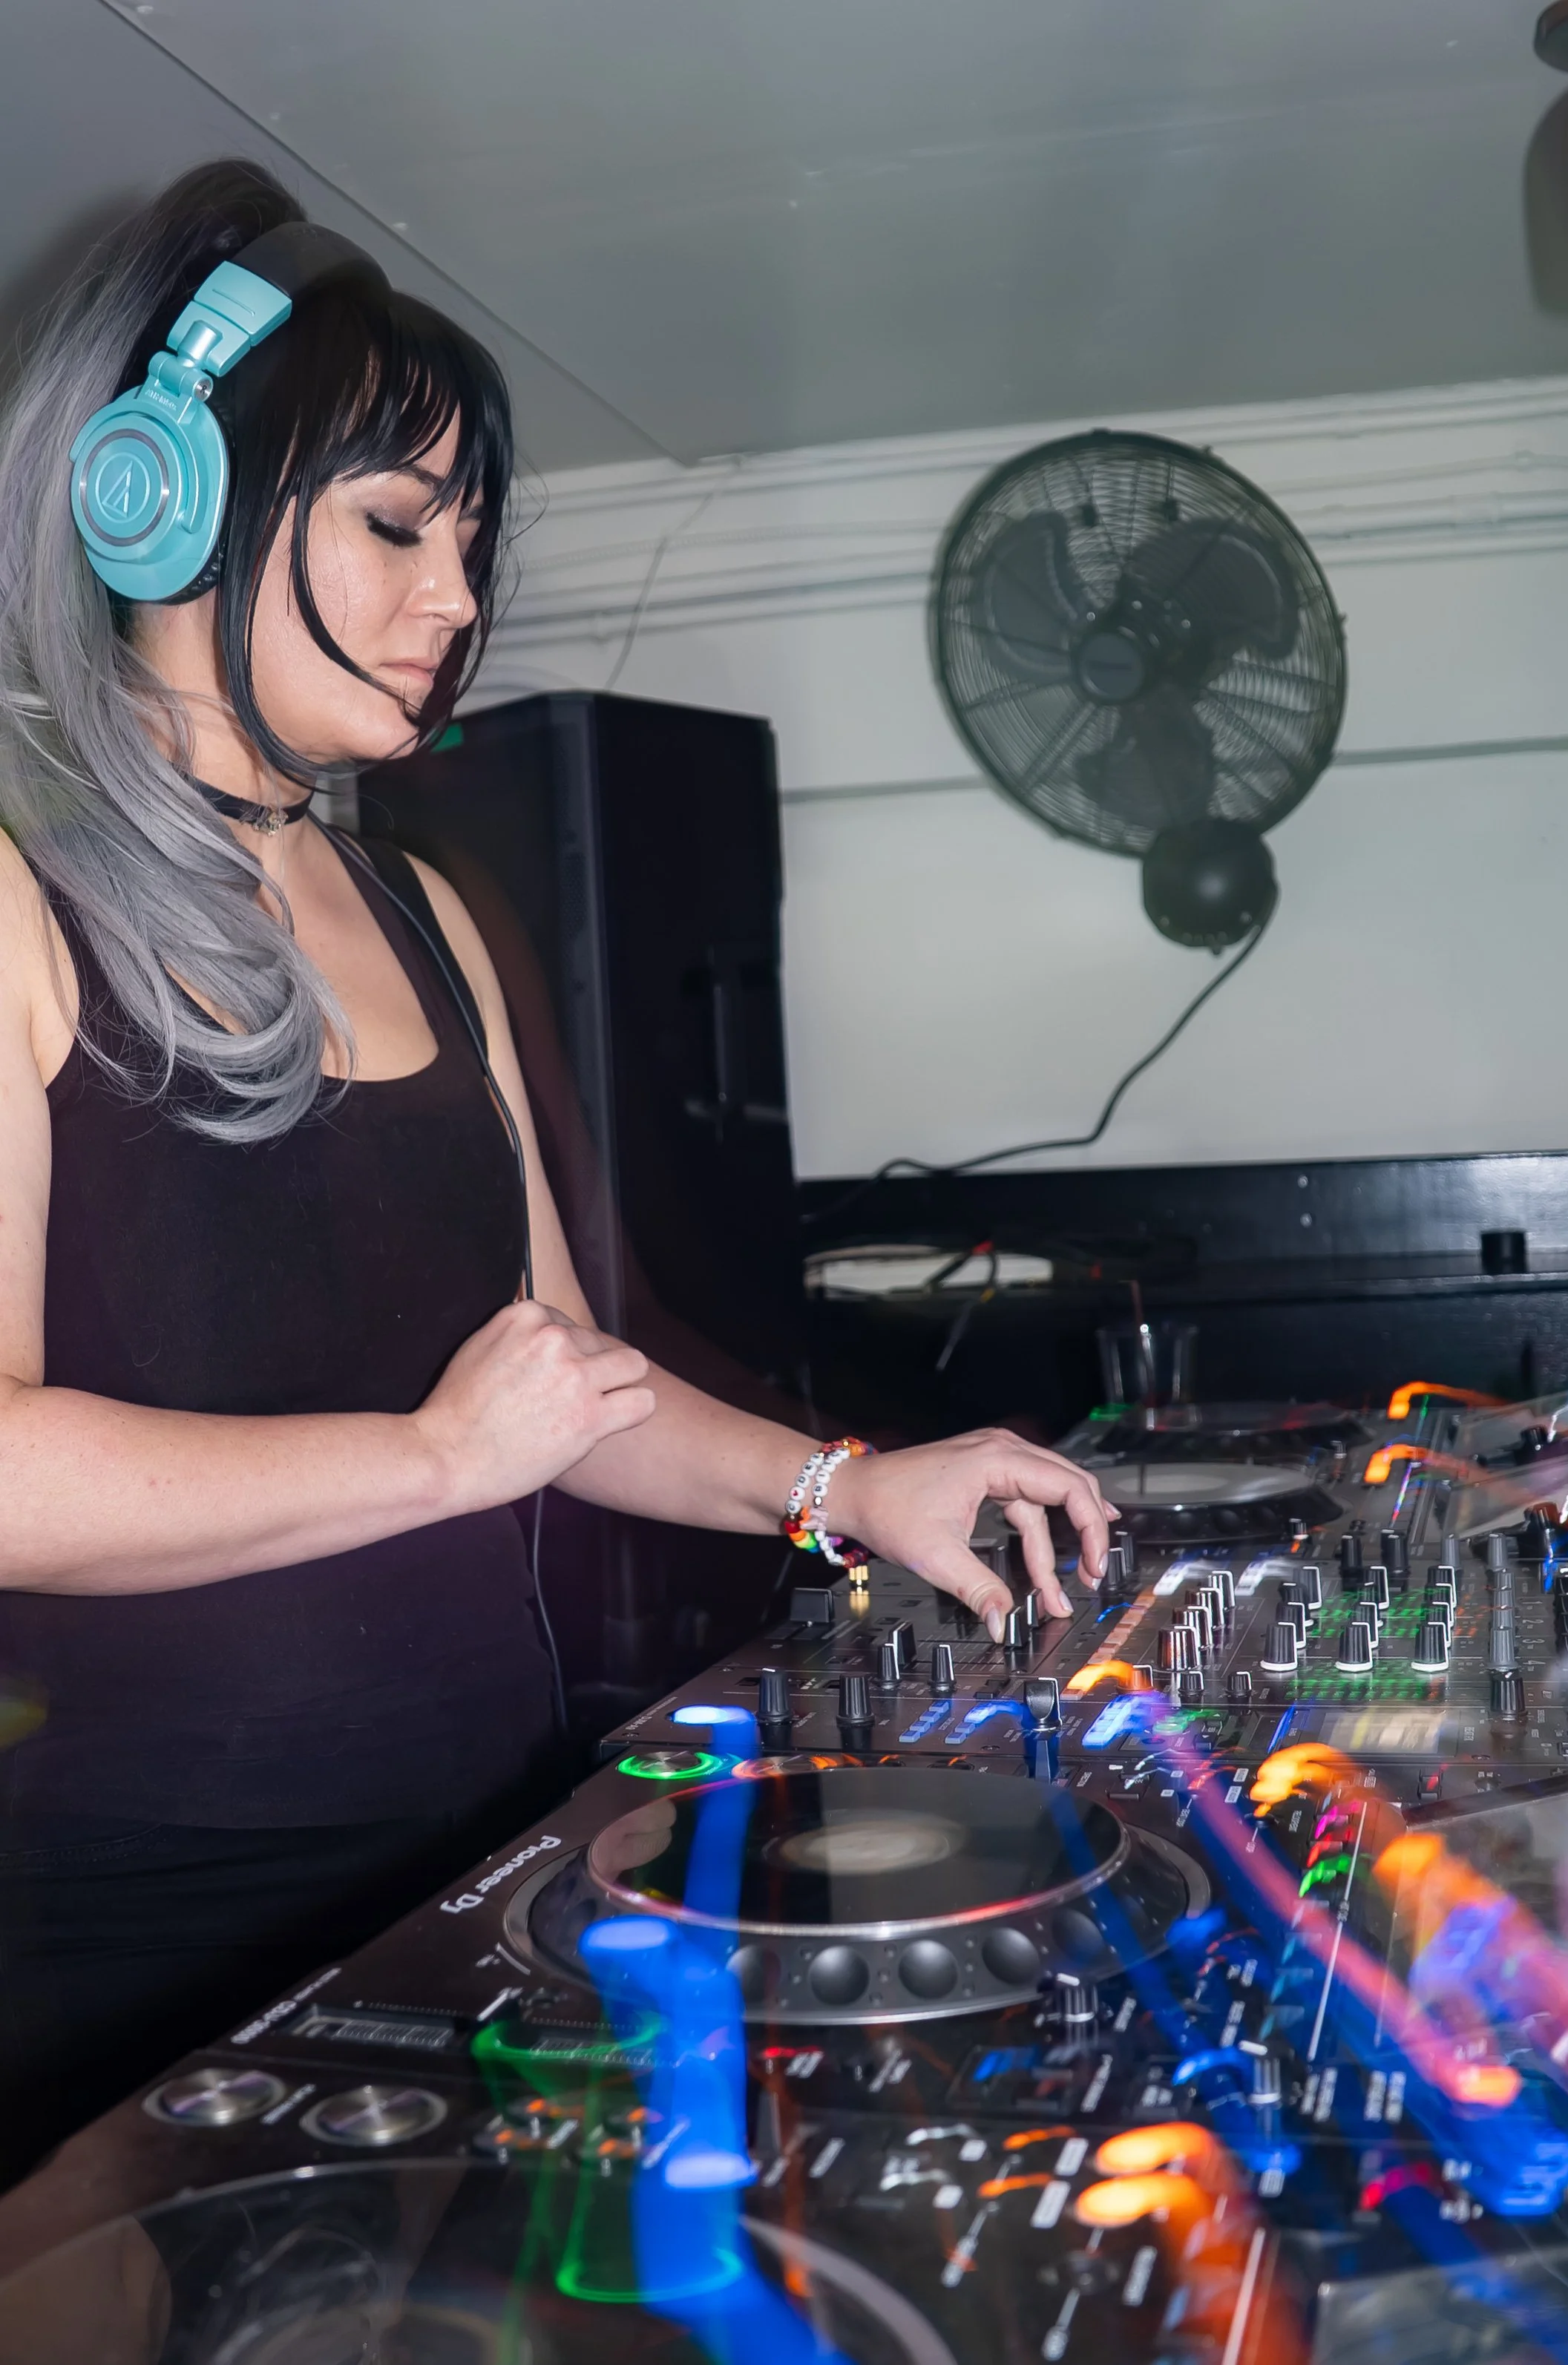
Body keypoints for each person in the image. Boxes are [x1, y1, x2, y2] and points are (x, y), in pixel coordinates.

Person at [0, 159, 1112, 2180]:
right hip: (142, 1931)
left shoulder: (420, 911)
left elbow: (561, 1384)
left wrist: (854, 1490)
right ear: (151, 504)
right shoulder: (9, 905)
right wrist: (431, 1459)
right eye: (395, 523)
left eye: (473, 536)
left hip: (484, 1863)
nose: (458, 599)